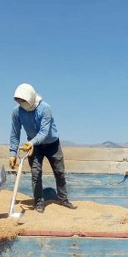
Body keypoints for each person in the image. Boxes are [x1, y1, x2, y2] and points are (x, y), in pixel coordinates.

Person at [8, 83, 76, 212]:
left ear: (31, 98)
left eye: (24, 101)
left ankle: (63, 200)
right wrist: (13, 153)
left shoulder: (45, 108)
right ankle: (38, 203)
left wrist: (31, 143)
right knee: (36, 174)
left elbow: (44, 132)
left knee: (59, 172)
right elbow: (15, 133)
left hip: (52, 144)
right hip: (34, 147)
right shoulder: (17, 112)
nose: (22, 103)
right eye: (19, 101)